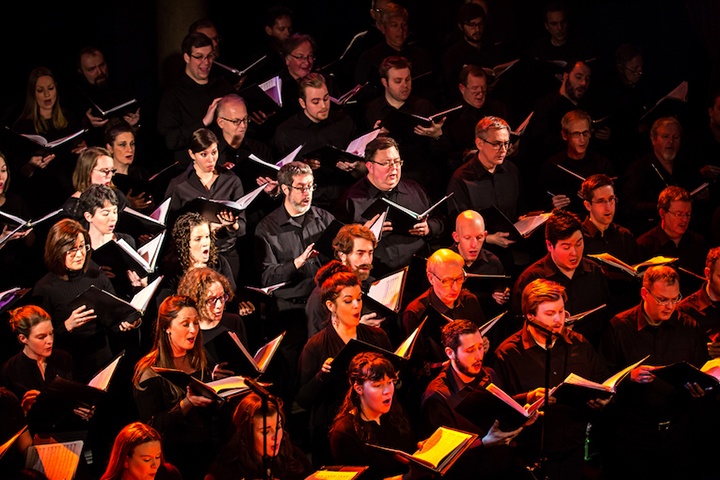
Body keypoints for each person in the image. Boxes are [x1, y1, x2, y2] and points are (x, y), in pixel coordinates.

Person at [493, 278, 612, 479]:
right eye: (550, 314)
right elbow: (498, 409)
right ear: (530, 316)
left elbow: (602, 381)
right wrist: (528, 399)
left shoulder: (578, 344)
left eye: (561, 311)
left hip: (573, 455)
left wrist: (604, 397)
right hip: (528, 459)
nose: (559, 320)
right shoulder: (508, 354)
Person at [597, 266, 708, 480]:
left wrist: (700, 389)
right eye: (662, 300)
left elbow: (703, 372)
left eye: (675, 299)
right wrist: (628, 378)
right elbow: (603, 379)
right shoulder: (619, 327)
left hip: (678, 434)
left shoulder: (689, 327)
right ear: (644, 293)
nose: (670, 306)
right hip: (633, 435)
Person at [296, 261, 392, 467]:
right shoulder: (316, 346)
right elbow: (303, 399)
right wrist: (321, 376)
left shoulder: (377, 336)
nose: (357, 306)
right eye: (348, 301)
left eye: (359, 299)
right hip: (334, 431)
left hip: (375, 427)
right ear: (331, 306)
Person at [254, 161, 335, 405]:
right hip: (292, 312)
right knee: (293, 376)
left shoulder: (325, 219)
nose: (307, 193)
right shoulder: (266, 228)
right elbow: (266, 276)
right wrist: (296, 263)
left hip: (324, 306)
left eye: (310, 186)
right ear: (284, 189)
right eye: (300, 187)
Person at [132, 295, 231, 480]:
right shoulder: (149, 372)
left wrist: (220, 388)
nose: (193, 330)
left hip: (209, 451)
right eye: (185, 324)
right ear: (167, 328)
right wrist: (186, 404)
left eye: (195, 322)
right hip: (174, 459)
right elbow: (150, 428)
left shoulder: (201, 358)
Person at [420, 320, 526, 479]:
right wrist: (484, 443)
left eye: (480, 347)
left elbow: (502, 409)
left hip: (504, 467)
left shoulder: (488, 374)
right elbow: (442, 458)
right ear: (450, 353)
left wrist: (526, 404)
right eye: (470, 350)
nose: (478, 356)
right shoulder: (438, 397)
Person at [336, 136, 444, 277]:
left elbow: (441, 221)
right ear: (370, 166)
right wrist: (364, 236)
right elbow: (339, 247)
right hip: (376, 276)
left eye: (397, 162)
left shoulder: (415, 189)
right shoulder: (351, 200)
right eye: (386, 163)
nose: (394, 168)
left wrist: (429, 227)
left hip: (419, 272)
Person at [400, 248, 487, 417]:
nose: (455, 287)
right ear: (431, 278)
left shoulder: (470, 301)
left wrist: (482, 345)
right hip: (442, 393)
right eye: (447, 281)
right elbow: (415, 368)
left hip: (473, 379)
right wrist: (447, 364)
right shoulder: (416, 313)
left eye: (459, 279)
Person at [31, 218, 117, 382]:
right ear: (57, 251)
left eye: (82, 247)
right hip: (69, 367)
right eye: (72, 249)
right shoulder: (44, 288)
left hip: (103, 359)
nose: (80, 254)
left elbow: (115, 315)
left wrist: (128, 321)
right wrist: (67, 326)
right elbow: (38, 342)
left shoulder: (96, 275)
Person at [510, 209, 611, 348]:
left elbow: (605, 319)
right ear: (549, 246)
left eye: (579, 243)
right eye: (566, 247)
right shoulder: (531, 279)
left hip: (589, 352)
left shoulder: (594, 271)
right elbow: (520, 331)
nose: (574, 253)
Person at [446, 116, 526, 274]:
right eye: (496, 144)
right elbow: (455, 226)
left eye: (506, 144)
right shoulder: (462, 179)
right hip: (479, 259)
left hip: (512, 252)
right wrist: (489, 238)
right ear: (479, 143)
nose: (503, 150)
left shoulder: (511, 171)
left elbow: (520, 206)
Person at [164, 128, 245, 283]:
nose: (211, 159)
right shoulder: (179, 185)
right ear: (191, 154)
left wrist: (231, 225)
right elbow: (171, 227)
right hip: (193, 259)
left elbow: (242, 227)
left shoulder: (231, 180)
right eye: (204, 154)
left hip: (226, 254)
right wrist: (204, 229)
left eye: (214, 152)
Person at [272, 72, 362, 210]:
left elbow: (362, 165)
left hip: (347, 198)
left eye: (326, 99)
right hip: (311, 204)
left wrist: (355, 166)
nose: (324, 106)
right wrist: (303, 166)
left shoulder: (344, 122)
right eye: (315, 102)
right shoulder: (286, 132)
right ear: (302, 103)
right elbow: (279, 174)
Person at [10, 66, 87, 217]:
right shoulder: (22, 126)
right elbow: (19, 174)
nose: (47, 94)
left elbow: (78, 148)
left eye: (50, 88)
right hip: (40, 194)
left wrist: (83, 149)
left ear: (56, 89)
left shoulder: (68, 118)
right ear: (33, 93)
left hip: (70, 188)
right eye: (40, 90)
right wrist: (31, 165)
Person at [363, 56, 446, 194]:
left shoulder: (423, 107)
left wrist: (437, 136)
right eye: (398, 81)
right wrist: (373, 138)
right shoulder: (372, 110)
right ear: (385, 82)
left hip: (421, 182)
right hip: (385, 184)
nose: (405, 85)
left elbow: (442, 154)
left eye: (407, 80)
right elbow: (363, 152)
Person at [328, 351, 417, 480]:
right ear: (359, 389)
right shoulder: (344, 433)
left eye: (390, 382)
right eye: (378, 385)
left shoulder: (394, 411)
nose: (387, 391)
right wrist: (407, 477)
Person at [156, 32, 235, 171]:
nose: (206, 63)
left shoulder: (223, 87)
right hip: (191, 173)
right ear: (187, 57)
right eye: (199, 57)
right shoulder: (173, 95)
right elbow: (171, 140)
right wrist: (203, 122)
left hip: (226, 166)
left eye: (210, 56)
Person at [621, 116, 700, 235]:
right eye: (665, 137)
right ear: (653, 139)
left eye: (676, 137)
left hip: (685, 232)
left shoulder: (687, 167)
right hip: (652, 231)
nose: (671, 142)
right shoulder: (638, 168)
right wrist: (662, 208)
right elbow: (630, 205)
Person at [205, 393, 312, 480]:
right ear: (247, 434)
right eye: (265, 431)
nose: (276, 436)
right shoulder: (227, 467)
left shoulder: (291, 453)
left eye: (278, 426)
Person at [305, 223, 381, 338]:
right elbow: (318, 346)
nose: (367, 260)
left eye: (370, 253)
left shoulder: (372, 284)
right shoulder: (322, 295)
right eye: (360, 253)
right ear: (342, 255)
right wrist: (357, 329)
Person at [579, 174, 641, 312]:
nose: (608, 207)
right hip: (592, 311)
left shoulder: (625, 235)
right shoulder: (578, 238)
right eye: (601, 201)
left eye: (611, 199)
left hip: (624, 310)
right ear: (588, 205)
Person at [354, 3, 436, 104]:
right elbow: (363, 96)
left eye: (404, 25)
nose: (401, 30)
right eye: (394, 25)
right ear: (383, 28)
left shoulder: (421, 55)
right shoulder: (369, 58)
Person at [537, 109, 615, 215]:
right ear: (564, 135)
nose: (582, 140)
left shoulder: (602, 164)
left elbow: (614, 204)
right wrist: (552, 205)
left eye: (585, 133)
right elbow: (538, 206)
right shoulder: (552, 166)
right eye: (576, 134)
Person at [1, 305, 73, 416]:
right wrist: (24, 410)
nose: (50, 341)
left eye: (51, 333)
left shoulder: (63, 358)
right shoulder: (10, 370)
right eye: (41, 337)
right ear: (23, 338)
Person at [176, 266, 250, 373]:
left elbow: (245, 364)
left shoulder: (234, 322)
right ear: (196, 300)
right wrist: (211, 375)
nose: (219, 305)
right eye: (211, 300)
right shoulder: (188, 332)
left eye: (222, 297)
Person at [636, 186, 707, 296]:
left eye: (688, 215)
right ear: (662, 213)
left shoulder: (698, 242)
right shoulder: (644, 245)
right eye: (679, 214)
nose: (684, 220)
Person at [156, 211, 236, 308]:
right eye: (198, 239)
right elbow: (166, 307)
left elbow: (231, 296)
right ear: (185, 244)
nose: (205, 243)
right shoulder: (173, 272)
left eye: (207, 237)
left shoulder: (218, 262)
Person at [438, 65, 509, 170]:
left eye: (483, 89)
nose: (480, 95)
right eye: (475, 89)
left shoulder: (497, 108)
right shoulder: (451, 116)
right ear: (462, 89)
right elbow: (445, 155)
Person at [71, 46, 142, 149]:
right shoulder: (77, 97)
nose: (100, 72)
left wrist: (134, 123)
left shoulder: (121, 86)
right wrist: (87, 124)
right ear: (80, 71)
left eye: (102, 65)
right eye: (92, 69)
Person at [450, 210, 509, 321]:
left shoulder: (493, 263)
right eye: (467, 238)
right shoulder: (443, 263)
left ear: (485, 235)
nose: (474, 245)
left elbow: (500, 308)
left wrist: (501, 298)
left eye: (479, 237)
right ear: (456, 237)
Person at [0, 150, 38, 289]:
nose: (1, 177)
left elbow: (31, 243)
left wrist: (27, 233)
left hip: (19, 275)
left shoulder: (15, 200)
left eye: (3, 170)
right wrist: (3, 239)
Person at [61, 146, 129, 221]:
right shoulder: (72, 209)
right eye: (104, 171)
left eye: (112, 171)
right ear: (87, 172)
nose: (109, 176)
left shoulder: (117, 196)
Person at [99, 421, 182, 480]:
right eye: (147, 459)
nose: (155, 465)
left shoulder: (168, 474)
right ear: (126, 460)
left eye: (157, 457)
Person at [104, 120, 155, 214]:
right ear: (110, 148)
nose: (130, 149)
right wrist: (127, 205)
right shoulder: (105, 179)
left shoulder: (141, 173)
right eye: (122, 145)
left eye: (132, 144)